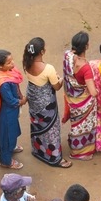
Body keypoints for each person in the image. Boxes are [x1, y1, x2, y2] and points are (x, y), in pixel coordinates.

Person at [21, 37, 69, 169]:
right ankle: (55, 158)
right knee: (51, 129)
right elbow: (56, 87)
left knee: (37, 126)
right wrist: (61, 79)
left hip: (34, 100)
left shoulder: (26, 64)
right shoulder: (48, 69)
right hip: (47, 104)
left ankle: (38, 151)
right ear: (42, 51)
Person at [60, 32, 96, 161]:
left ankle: (76, 148)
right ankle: (80, 152)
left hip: (71, 97)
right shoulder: (85, 68)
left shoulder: (67, 55)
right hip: (83, 101)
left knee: (76, 124)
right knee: (83, 126)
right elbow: (92, 92)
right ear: (87, 46)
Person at [0, 50, 25, 169]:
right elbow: (10, 100)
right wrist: (23, 101)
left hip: (11, 112)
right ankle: (5, 161)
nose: (12, 64)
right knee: (6, 136)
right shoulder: (3, 83)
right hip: (6, 114)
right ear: (0, 65)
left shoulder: (9, 72)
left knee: (12, 132)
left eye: (12, 60)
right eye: (9, 62)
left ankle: (12, 147)